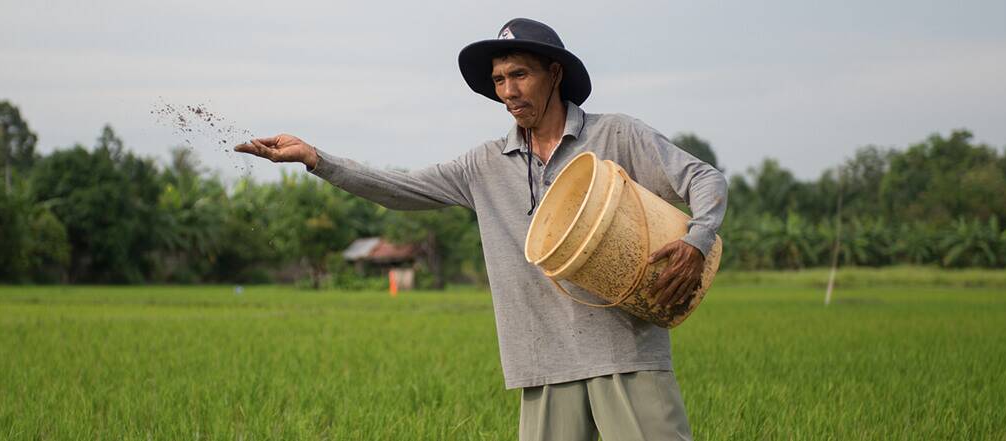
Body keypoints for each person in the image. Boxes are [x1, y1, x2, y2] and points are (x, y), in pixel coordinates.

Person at [236, 17, 725, 441]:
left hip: (627, 352)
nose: (508, 92)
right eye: (498, 80)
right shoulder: (484, 165)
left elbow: (703, 178)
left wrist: (696, 241)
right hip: (542, 361)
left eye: (520, 75)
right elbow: (400, 188)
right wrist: (317, 159)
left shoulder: (617, 135)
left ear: (554, 74)